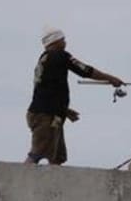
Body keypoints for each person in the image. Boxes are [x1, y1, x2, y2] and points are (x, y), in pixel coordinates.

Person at [25, 27, 123, 165]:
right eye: (63, 39)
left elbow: (47, 90)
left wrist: (64, 110)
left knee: (57, 156)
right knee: (39, 151)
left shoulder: (45, 59)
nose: (65, 43)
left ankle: (53, 184)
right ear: (56, 41)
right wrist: (110, 79)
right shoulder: (59, 55)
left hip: (48, 113)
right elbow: (85, 70)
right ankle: (15, 182)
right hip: (46, 114)